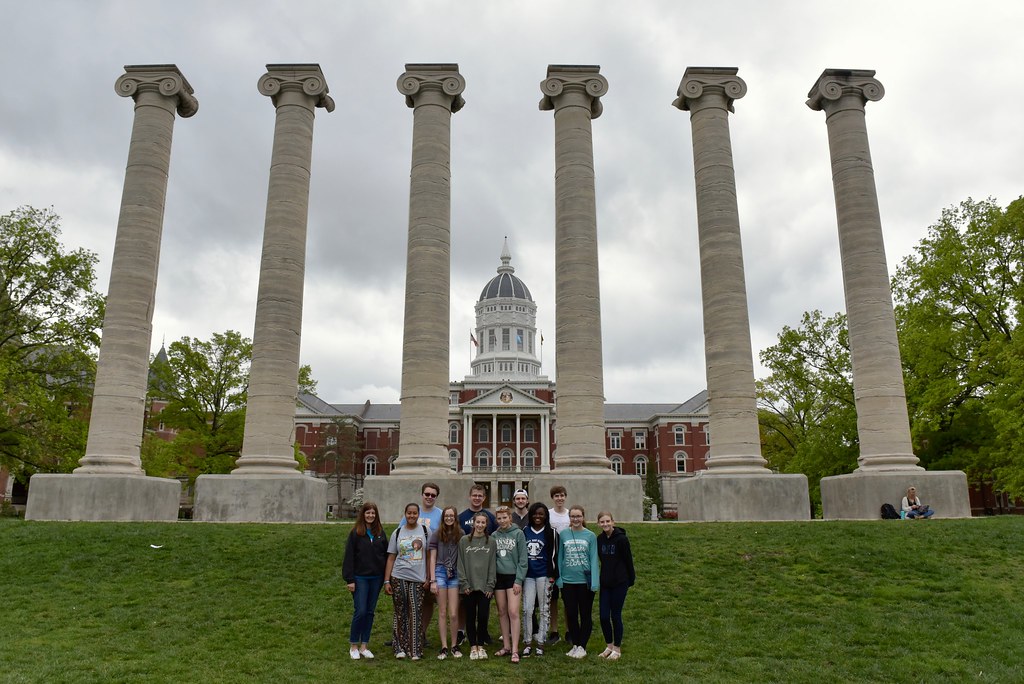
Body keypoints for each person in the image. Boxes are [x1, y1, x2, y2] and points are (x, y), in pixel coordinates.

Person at [342, 502, 389, 660]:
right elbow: (349, 557)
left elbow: (386, 555)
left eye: (373, 513)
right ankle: (354, 644)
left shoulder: (381, 533)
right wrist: (350, 579)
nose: (370, 516)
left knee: (369, 612)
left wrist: (386, 577)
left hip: (376, 578)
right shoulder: (356, 533)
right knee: (360, 611)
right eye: (368, 513)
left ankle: (364, 646)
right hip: (360, 578)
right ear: (363, 514)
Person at [384, 502, 430, 660]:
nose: (411, 516)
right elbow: (391, 557)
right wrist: (387, 581)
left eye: (414, 513)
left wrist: (429, 577)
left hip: (418, 578)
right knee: (400, 612)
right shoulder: (397, 532)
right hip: (399, 576)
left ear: (418, 514)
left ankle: (415, 649)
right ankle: (399, 647)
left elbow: (430, 555)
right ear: (405, 514)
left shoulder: (425, 531)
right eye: (409, 513)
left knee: (416, 612)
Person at [556, 505, 599, 659]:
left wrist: (594, 581)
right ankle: (575, 644)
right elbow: (560, 557)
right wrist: (559, 578)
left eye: (578, 516)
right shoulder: (564, 534)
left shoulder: (590, 536)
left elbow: (594, 559)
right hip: (568, 581)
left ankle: (583, 645)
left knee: (585, 614)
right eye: (573, 516)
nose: (575, 519)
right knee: (572, 614)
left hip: (584, 582)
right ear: (569, 518)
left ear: (583, 517)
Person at [457, 484, 497, 646]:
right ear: (470, 496)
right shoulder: (461, 517)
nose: (477, 498)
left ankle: (483, 634)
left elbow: (493, 539)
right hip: (468, 569)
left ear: (484, 498)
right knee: (466, 608)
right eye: (474, 495)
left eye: (480, 496)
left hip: (484, 570)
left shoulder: (490, 517)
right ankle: (463, 632)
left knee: (483, 611)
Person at [596, 511, 635, 661]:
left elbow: (628, 560)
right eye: (602, 522)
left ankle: (617, 649)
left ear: (613, 522)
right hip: (606, 583)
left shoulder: (622, 539)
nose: (605, 524)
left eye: (608, 521)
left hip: (620, 582)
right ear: (598, 524)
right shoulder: (599, 539)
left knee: (615, 615)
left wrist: (630, 579)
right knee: (604, 616)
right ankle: (609, 646)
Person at [521, 501, 558, 658]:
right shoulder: (524, 531)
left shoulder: (552, 532)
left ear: (545, 516)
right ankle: (528, 642)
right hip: (528, 575)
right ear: (531, 515)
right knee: (527, 609)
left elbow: (555, 555)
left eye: (541, 514)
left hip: (544, 575)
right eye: (535, 513)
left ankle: (541, 643)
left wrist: (552, 575)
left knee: (544, 609)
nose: (538, 516)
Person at [492, 505, 528, 663]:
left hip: (513, 577)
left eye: (504, 517)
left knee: (513, 612)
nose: (502, 521)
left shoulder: (518, 533)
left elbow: (523, 560)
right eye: (499, 518)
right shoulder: (494, 535)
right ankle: (506, 646)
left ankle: (515, 649)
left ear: (510, 518)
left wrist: (519, 580)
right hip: (499, 578)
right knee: (502, 611)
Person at [429, 506, 463, 660]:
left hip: (455, 573)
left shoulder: (461, 534)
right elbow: (433, 558)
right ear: (443, 518)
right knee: (442, 612)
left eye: (452, 516)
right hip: (440, 572)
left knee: (454, 613)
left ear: (455, 518)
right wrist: (433, 580)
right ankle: (444, 646)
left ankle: (454, 645)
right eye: (446, 516)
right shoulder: (437, 534)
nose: (449, 518)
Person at [418, 482, 442, 644]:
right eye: (427, 494)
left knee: (427, 600)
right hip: (411, 563)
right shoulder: (413, 512)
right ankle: (403, 633)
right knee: (408, 600)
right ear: (422, 495)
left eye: (433, 495)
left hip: (430, 563)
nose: (429, 497)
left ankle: (422, 633)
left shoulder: (440, 514)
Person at [547, 485, 570, 645]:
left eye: (562, 495)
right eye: (556, 496)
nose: (559, 498)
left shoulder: (570, 515)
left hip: (568, 561)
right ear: (553, 498)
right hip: (553, 561)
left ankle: (570, 630)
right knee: (553, 599)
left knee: (568, 599)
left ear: (565, 497)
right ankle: (554, 631)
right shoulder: (548, 515)